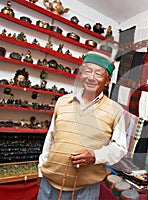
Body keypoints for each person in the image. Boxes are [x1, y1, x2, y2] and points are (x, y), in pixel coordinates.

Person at [37, 51, 127, 200]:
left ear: (107, 81)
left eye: (98, 74)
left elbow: (120, 148)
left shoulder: (115, 110)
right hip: (49, 184)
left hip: (85, 190)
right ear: (80, 75)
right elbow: (50, 139)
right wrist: (41, 171)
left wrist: (94, 155)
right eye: (87, 71)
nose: (91, 78)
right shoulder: (63, 102)